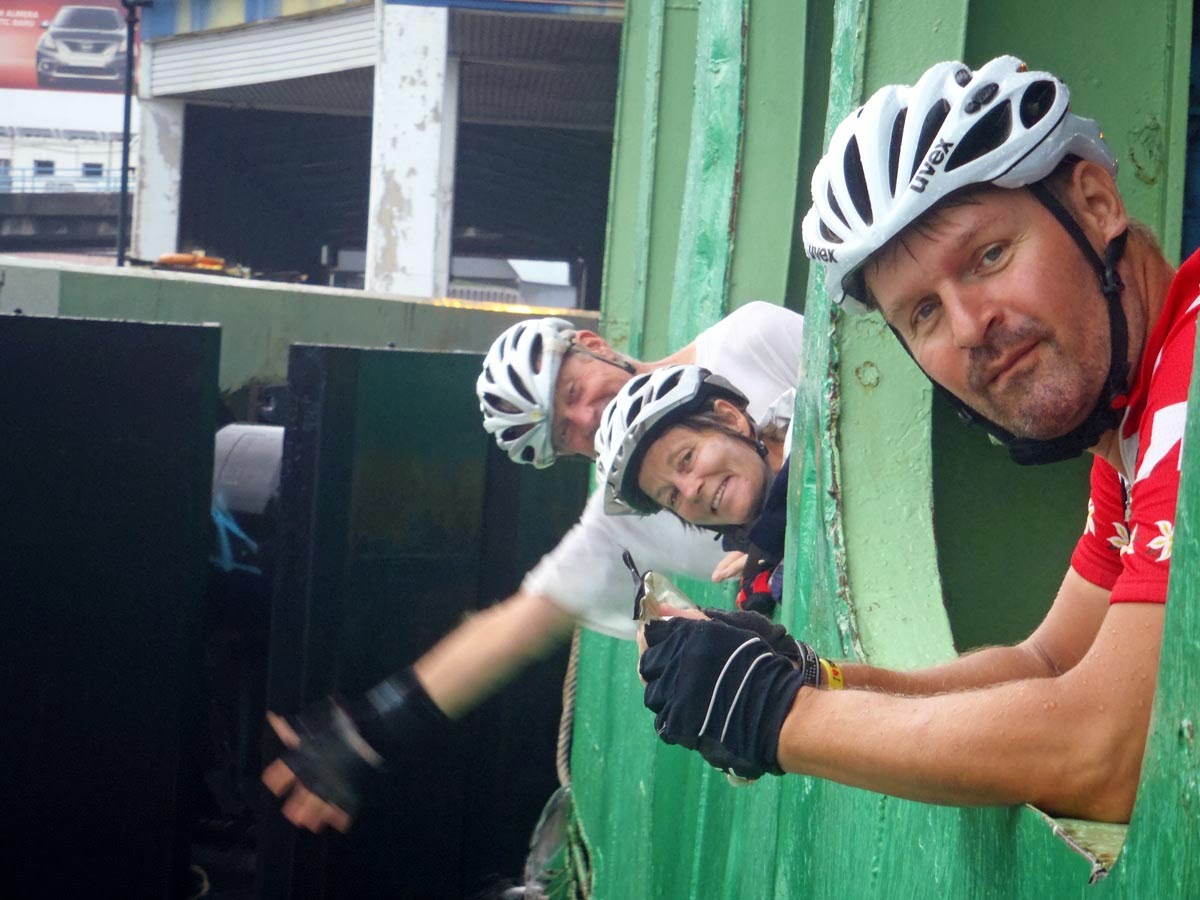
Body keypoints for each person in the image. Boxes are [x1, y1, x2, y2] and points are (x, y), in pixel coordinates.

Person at [636, 55, 1195, 823]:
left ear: (1096, 205)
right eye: (923, 313)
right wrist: (815, 680)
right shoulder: (1133, 423)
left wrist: (777, 717)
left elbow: (1110, 753)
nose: (970, 327)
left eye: (990, 256)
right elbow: (1047, 662)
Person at [262, 303, 805, 832]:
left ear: (591, 345)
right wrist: (371, 729)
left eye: (571, 392)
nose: (586, 418)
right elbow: (515, 626)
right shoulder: (619, 522)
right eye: (564, 432)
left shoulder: (748, 340)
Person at [593, 363, 798, 615]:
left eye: (687, 458)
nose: (690, 491)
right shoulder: (766, 559)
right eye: (672, 496)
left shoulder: (822, 425)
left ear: (730, 418)